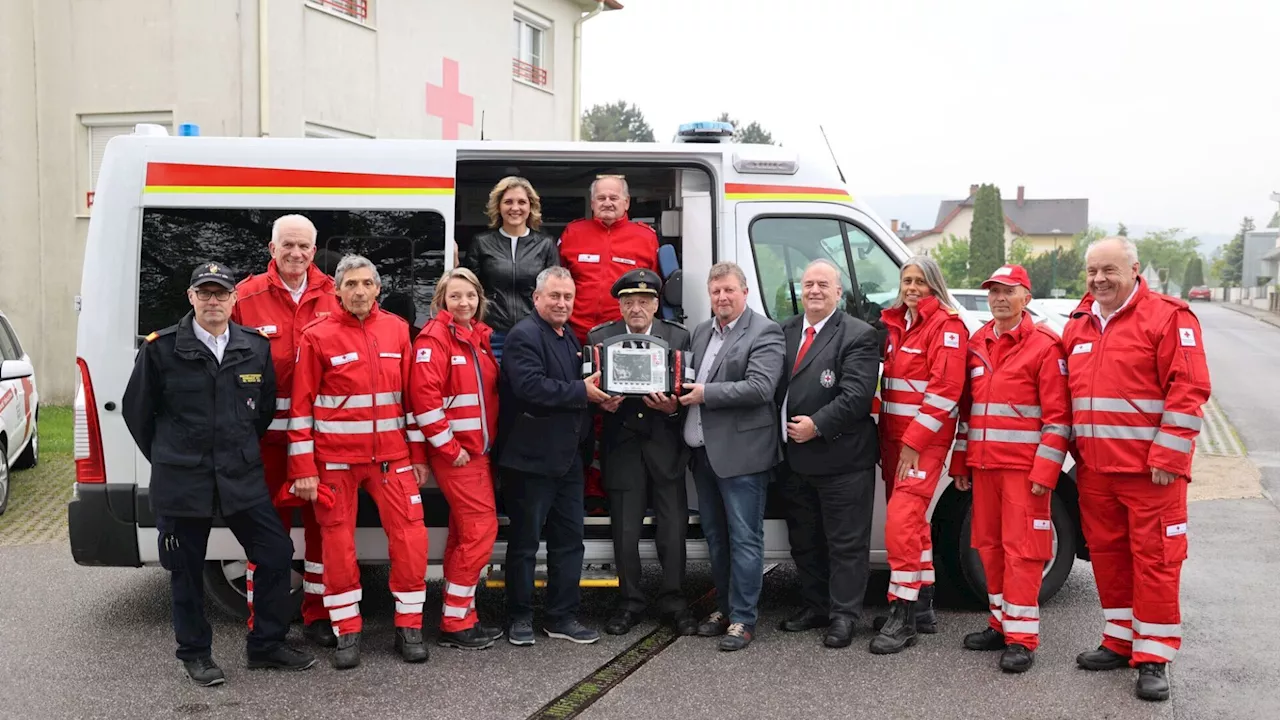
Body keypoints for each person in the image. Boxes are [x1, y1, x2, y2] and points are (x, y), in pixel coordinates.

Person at [122, 262, 316, 686]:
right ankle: (195, 653)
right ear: (191, 298)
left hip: (239, 475)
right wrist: (171, 457)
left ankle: (266, 644)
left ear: (234, 299)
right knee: (186, 569)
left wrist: (235, 449)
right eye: (204, 293)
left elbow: (262, 411)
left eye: (221, 293)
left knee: (276, 551)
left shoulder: (254, 347)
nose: (213, 301)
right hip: (184, 480)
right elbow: (138, 415)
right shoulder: (160, 348)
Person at [1062, 237, 1210, 702]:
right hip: (1096, 470)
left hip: (1151, 475)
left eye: (1109, 270)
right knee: (1108, 558)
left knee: (1157, 562)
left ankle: (1153, 656)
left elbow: (1188, 389)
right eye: (1092, 271)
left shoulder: (1168, 317)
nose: (1099, 279)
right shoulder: (1079, 324)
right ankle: (1120, 640)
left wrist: (1168, 455)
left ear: (1134, 270)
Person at [286, 254, 429, 669]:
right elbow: (301, 409)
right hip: (335, 463)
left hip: (392, 459)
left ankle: (410, 625)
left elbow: (410, 400)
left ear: (378, 289)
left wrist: (418, 455)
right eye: (351, 284)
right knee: (337, 547)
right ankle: (346, 630)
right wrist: (304, 470)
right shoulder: (316, 335)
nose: (360, 291)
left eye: (367, 283)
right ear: (337, 291)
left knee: (411, 540)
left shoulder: (397, 330)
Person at [949, 264, 1071, 673]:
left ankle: (1022, 638)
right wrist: (961, 461)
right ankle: (999, 625)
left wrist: (1045, 473)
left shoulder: (1045, 346)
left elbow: (1058, 419)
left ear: (1026, 298)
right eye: (994, 291)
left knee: (1024, 552)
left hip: (1023, 473)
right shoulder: (979, 341)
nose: (999, 298)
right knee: (989, 548)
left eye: (1008, 291)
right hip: (984, 469)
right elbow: (969, 413)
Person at [231, 214, 342, 647]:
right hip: (266, 444)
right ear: (271, 248)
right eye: (287, 245)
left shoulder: (336, 294)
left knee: (323, 532)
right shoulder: (245, 295)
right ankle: (268, 623)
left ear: (315, 251)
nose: (296, 253)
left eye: (304, 246)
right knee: (268, 536)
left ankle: (317, 615)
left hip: (321, 443)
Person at [498, 266, 612, 646]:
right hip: (530, 460)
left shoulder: (568, 337)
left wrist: (601, 402)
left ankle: (561, 617)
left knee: (569, 543)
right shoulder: (524, 336)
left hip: (568, 461)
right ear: (537, 298)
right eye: (555, 296)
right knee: (525, 544)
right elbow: (531, 386)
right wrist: (583, 393)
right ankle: (518, 617)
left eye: (567, 297)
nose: (562, 303)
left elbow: (578, 390)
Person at [775, 260, 881, 649]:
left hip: (841, 458)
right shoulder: (784, 331)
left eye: (823, 284)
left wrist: (816, 425)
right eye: (808, 284)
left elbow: (856, 396)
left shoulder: (859, 334)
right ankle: (815, 606)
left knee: (846, 543)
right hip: (794, 460)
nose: (814, 290)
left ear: (840, 293)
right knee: (805, 539)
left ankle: (844, 616)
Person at [679, 262, 785, 651]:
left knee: (744, 539)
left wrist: (704, 393)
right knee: (717, 540)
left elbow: (760, 388)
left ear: (744, 292)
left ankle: (743, 619)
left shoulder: (765, 331)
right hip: (704, 454)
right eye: (715, 291)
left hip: (742, 456)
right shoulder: (702, 332)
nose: (722, 297)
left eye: (729, 290)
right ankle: (723, 608)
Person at [586, 268, 696, 637]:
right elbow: (587, 393)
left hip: (666, 447)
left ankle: (675, 601)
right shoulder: (600, 337)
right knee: (625, 532)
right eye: (629, 302)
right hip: (623, 448)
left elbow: (687, 388)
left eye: (644, 301)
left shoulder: (678, 336)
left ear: (655, 304)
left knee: (673, 531)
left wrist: (674, 407)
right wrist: (602, 404)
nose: (637, 308)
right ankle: (629, 602)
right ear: (620, 305)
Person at [870, 255, 968, 655]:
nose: (912, 288)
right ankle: (924, 603)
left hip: (920, 445)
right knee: (915, 523)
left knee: (901, 521)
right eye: (906, 280)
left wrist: (913, 443)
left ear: (934, 285)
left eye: (920, 282)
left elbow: (945, 392)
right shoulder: (895, 325)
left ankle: (903, 613)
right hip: (894, 442)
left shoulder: (947, 327)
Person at [406, 267, 505, 650]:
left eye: (470, 296)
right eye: (455, 296)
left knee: (464, 536)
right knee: (481, 532)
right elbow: (423, 401)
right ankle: (455, 622)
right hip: (461, 457)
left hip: (476, 453)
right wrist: (450, 448)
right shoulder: (435, 340)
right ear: (441, 301)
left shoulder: (476, 337)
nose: (463, 302)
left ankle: (461, 615)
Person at [462, 176, 559, 361]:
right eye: (508, 202)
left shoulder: (545, 244)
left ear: (531, 206)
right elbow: (470, 289)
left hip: (534, 334)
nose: (515, 208)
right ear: (498, 206)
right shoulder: (481, 243)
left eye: (522, 202)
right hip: (492, 334)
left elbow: (554, 292)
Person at [557, 175, 660, 344]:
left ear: (626, 202)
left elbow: (654, 289)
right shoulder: (573, 232)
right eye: (601, 198)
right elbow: (558, 279)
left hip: (623, 333)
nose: (607, 203)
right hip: (574, 332)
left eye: (613, 198)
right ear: (592, 203)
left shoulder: (645, 237)